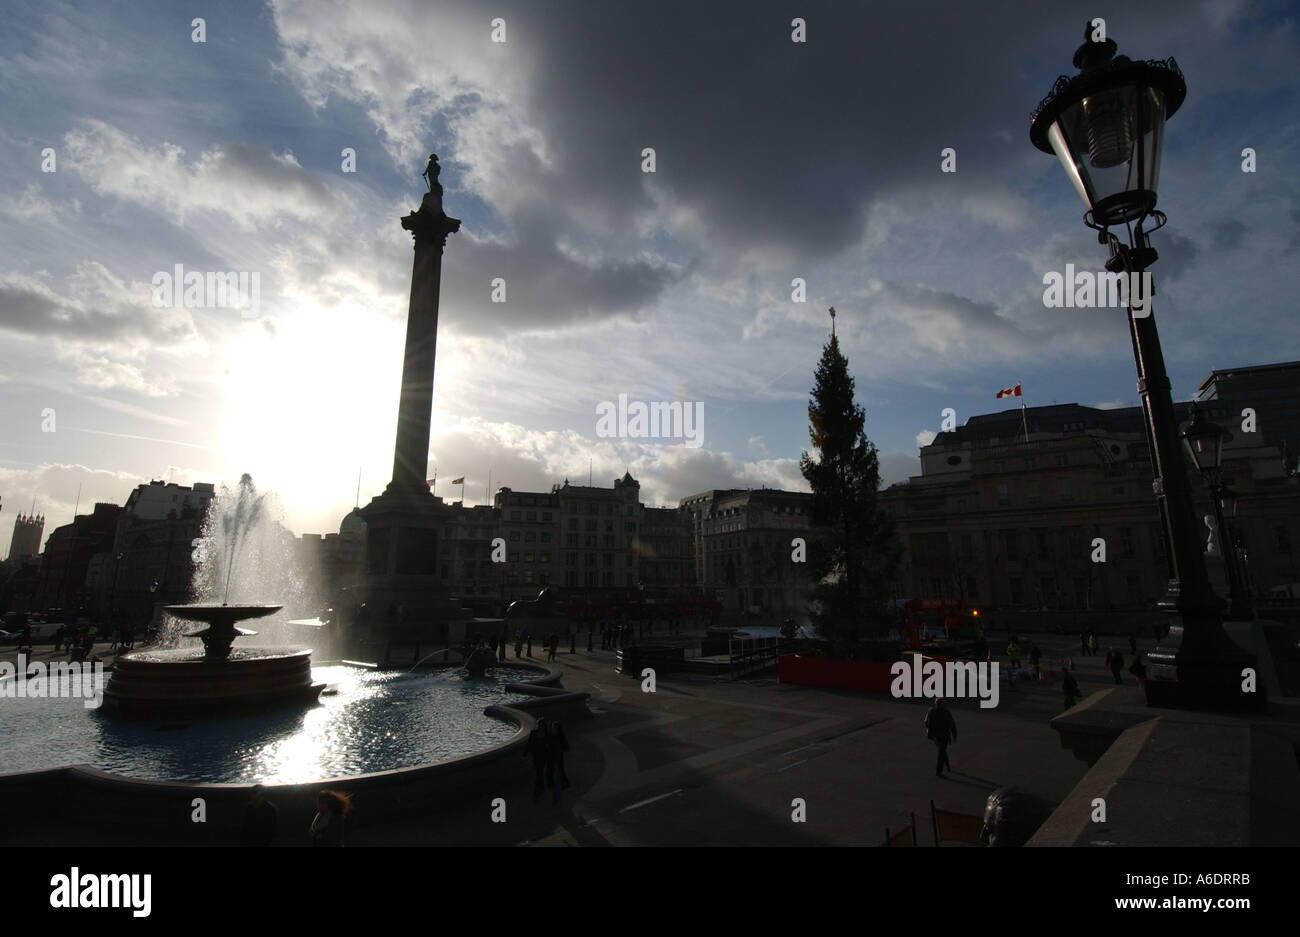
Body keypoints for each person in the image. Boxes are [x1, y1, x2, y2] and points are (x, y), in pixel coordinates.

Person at [924, 698, 957, 777]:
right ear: (942, 704)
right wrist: (954, 735)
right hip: (943, 735)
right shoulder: (946, 712)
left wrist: (929, 729)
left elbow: (925, 721)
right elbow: (952, 724)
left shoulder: (931, 710)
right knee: (941, 752)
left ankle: (947, 765)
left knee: (941, 751)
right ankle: (939, 771)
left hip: (934, 735)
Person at [524, 717, 553, 801]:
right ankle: (541, 787)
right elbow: (529, 744)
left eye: (542, 726)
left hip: (544, 756)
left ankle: (537, 790)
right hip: (536, 756)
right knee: (538, 771)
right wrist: (525, 754)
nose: (540, 728)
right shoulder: (533, 733)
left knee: (539, 771)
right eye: (539, 726)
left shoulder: (547, 735)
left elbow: (550, 745)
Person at [548, 721, 571, 801]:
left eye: (555, 729)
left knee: (557, 777)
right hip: (551, 760)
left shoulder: (561, 738)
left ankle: (556, 795)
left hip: (557, 761)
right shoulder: (550, 736)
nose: (553, 730)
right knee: (552, 775)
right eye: (553, 728)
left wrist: (561, 749)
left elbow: (567, 748)